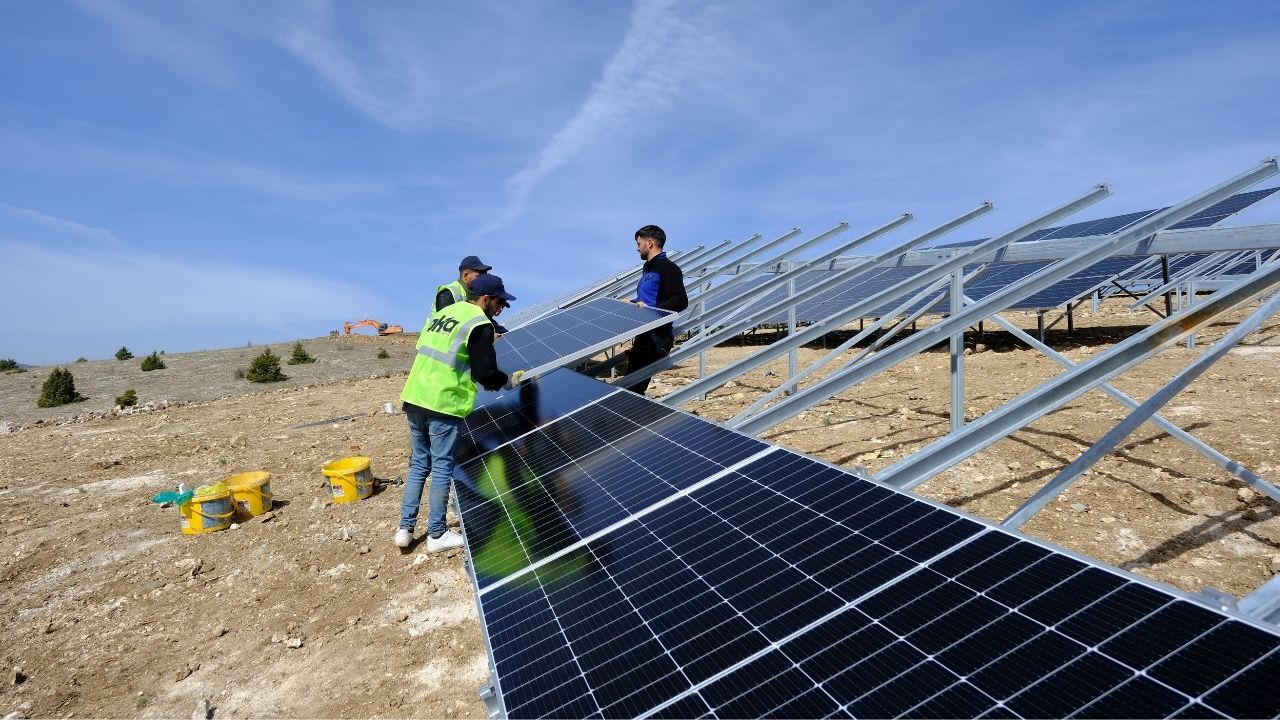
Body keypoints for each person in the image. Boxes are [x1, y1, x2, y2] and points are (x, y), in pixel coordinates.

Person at [395, 273, 522, 552]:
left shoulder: (445, 313)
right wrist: (507, 381)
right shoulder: (479, 323)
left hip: (415, 396)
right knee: (442, 467)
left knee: (419, 465)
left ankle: (405, 529)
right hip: (443, 402)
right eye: (499, 303)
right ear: (485, 299)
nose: (501, 309)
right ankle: (437, 534)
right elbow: (485, 372)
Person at [626, 224, 688, 395]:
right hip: (644, 336)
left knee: (631, 391)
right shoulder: (648, 269)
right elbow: (646, 301)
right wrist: (630, 304)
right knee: (630, 390)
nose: (637, 248)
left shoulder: (668, 268)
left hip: (657, 338)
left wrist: (650, 309)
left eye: (639, 244)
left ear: (650, 243)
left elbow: (680, 301)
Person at [437, 255, 508, 335]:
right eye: (479, 275)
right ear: (465, 275)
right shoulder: (448, 292)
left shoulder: (476, 294)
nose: (483, 278)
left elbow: (482, 319)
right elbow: (444, 325)